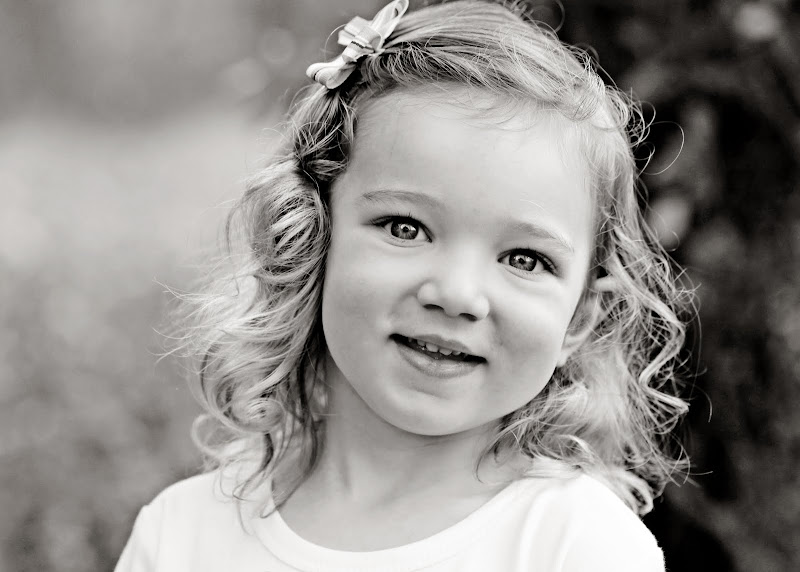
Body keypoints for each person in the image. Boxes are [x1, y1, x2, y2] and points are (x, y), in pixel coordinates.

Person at [116, 0, 692, 570]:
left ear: (581, 318)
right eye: (406, 228)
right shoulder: (182, 536)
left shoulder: (576, 547)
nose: (457, 294)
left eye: (524, 259)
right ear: (312, 240)